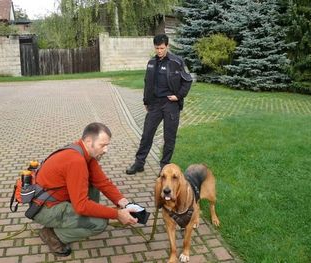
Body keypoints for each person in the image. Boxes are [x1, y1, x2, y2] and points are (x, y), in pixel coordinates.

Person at [33, 122, 138, 256]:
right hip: (44, 209)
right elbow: (81, 206)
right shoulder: (76, 161)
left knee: (93, 184)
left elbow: (103, 182)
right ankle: (52, 234)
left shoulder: (84, 152)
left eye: (107, 145)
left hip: (53, 201)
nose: (106, 150)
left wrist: (125, 203)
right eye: (103, 145)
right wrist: (116, 214)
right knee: (100, 223)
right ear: (89, 141)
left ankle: (74, 221)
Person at [126, 34, 193, 175]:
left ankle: (164, 166)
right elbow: (147, 83)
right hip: (155, 104)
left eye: (162, 48)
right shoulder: (151, 63)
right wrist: (146, 100)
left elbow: (188, 80)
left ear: (167, 46)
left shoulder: (177, 61)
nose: (159, 51)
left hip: (170, 104)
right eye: (157, 48)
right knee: (147, 134)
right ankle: (139, 163)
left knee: (169, 137)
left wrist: (178, 96)